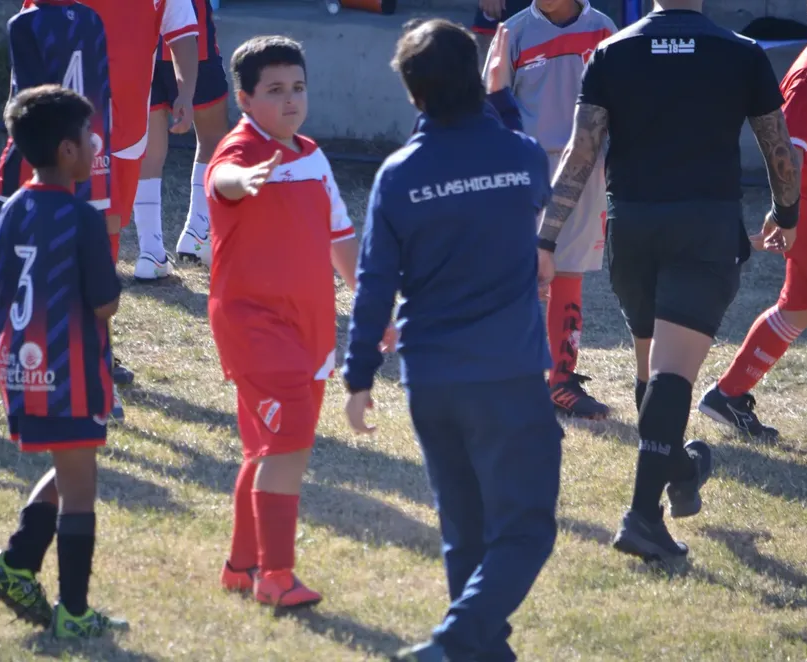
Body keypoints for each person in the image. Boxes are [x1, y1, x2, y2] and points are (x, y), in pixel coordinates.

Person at [536, 0, 801, 560]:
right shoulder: (743, 53)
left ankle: (680, 466)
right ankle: (640, 518)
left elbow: (580, 155)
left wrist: (545, 236)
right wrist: (788, 211)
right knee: (672, 374)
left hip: (632, 228)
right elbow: (778, 148)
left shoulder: (611, 51)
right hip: (701, 229)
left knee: (651, 367)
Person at [344, 20, 563, 662]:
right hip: (507, 374)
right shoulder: (521, 156)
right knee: (525, 530)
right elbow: (525, 177)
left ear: (413, 95)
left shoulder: (398, 174)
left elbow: (374, 286)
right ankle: (453, 643)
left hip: (431, 379)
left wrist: (358, 378)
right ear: (479, 76)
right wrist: (498, 96)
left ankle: (482, 651)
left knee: (463, 531)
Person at [0, 0, 200, 418]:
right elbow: (99, 94)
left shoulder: (26, 22)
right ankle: (105, 392)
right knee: (91, 264)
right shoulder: (89, 22)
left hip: (34, 154)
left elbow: (24, 103)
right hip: (91, 154)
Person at [206, 36, 361, 608]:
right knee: (289, 442)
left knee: (270, 446)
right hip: (254, 326)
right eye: (274, 91)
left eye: (297, 87)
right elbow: (222, 179)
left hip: (312, 327)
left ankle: (239, 566)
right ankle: (275, 576)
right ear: (244, 100)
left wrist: (369, 306)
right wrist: (237, 185)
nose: (290, 100)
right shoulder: (240, 152)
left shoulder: (313, 156)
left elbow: (340, 236)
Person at [0, 84, 125, 638]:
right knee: (81, 488)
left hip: (21, 366)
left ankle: (15, 563)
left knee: (70, 469)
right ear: (68, 150)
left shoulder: (12, 207)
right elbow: (105, 301)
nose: (95, 147)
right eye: (89, 138)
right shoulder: (82, 217)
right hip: (72, 372)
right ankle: (75, 611)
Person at [698, 0, 807, 439]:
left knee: (798, 309)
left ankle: (727, 396)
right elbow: (787, 152)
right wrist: (786, 214)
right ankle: (727, 395)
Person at [486, 0, 617, 419]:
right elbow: (491, 102)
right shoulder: (513, 32)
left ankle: (561, 381)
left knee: (569, 272)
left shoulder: (604, 29)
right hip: (527, 172)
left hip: (586, 170)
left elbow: (621, 102)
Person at [133, 2, 231, 279]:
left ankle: (150, 251)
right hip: (191, 42)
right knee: (213, 136)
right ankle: (197, 231)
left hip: (145, 43)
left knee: (149, 151)